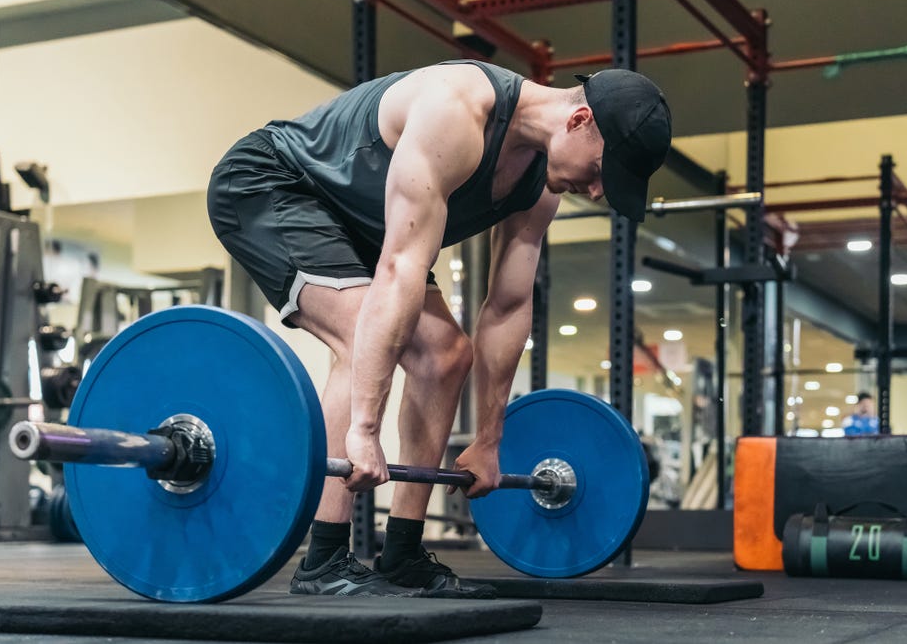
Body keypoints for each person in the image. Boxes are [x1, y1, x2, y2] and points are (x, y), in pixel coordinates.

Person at [206, 60, 672, 598]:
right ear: (578, 120)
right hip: (277, 184)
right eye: (599, 171)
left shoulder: (540, 187)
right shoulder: (457, 109)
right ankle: (326, 557)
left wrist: (490, 439)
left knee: (447, 356)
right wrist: (363, 429)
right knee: (364, 334)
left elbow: (508, 305)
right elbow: (401, 268)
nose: (595, 190)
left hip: (364, 223)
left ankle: (401, 552)